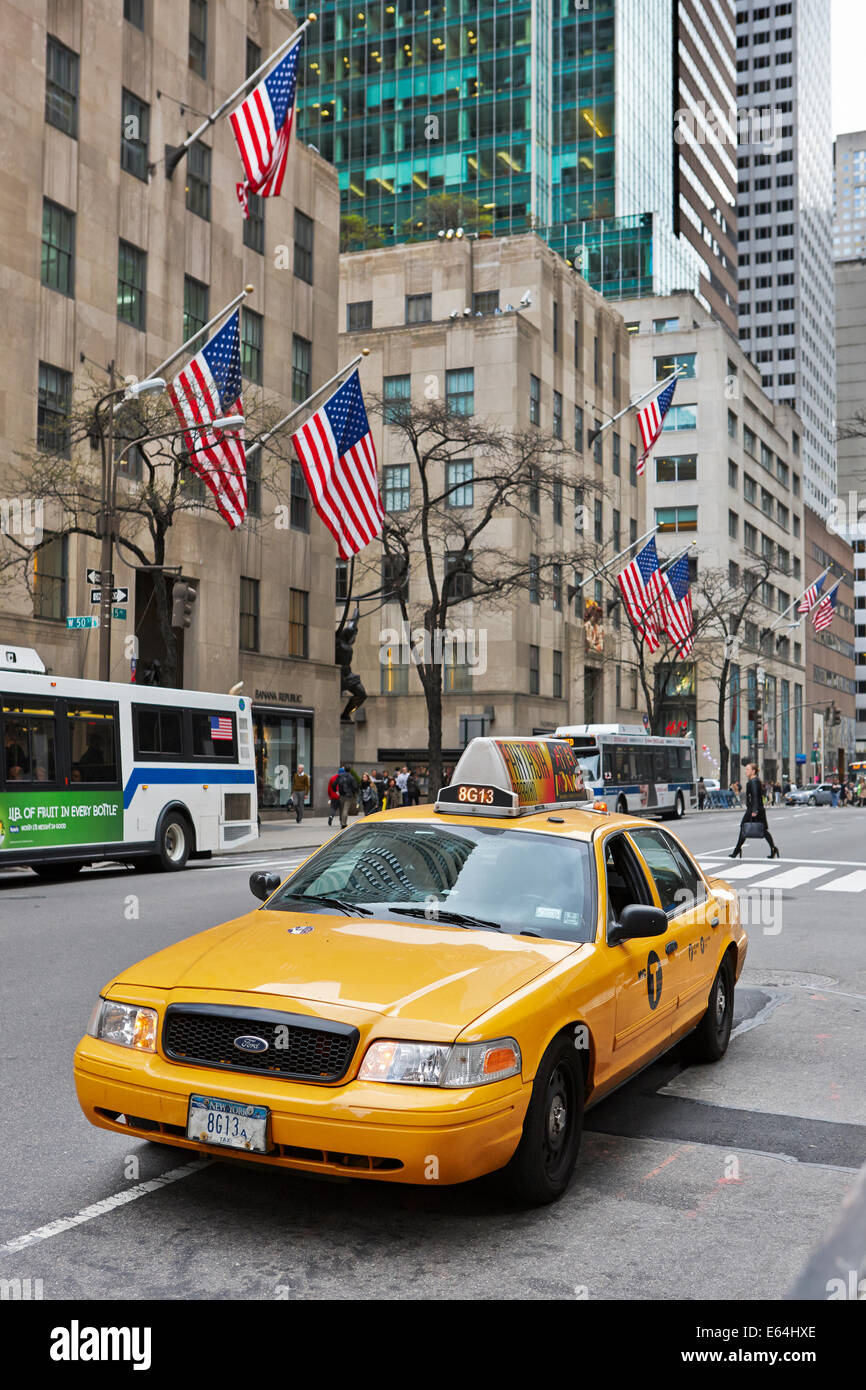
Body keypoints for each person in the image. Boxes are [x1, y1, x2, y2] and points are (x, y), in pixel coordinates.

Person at [730, 762, 779, 859]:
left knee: (745, 827)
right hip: (756, 808)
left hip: (754, 809)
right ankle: (773, 849)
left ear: (753, 771)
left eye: (748, 769)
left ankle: (737, 850)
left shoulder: (754, 782)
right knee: (762, 830)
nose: (746, 771)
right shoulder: (754, 781)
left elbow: (756, 797)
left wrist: (755, 810)